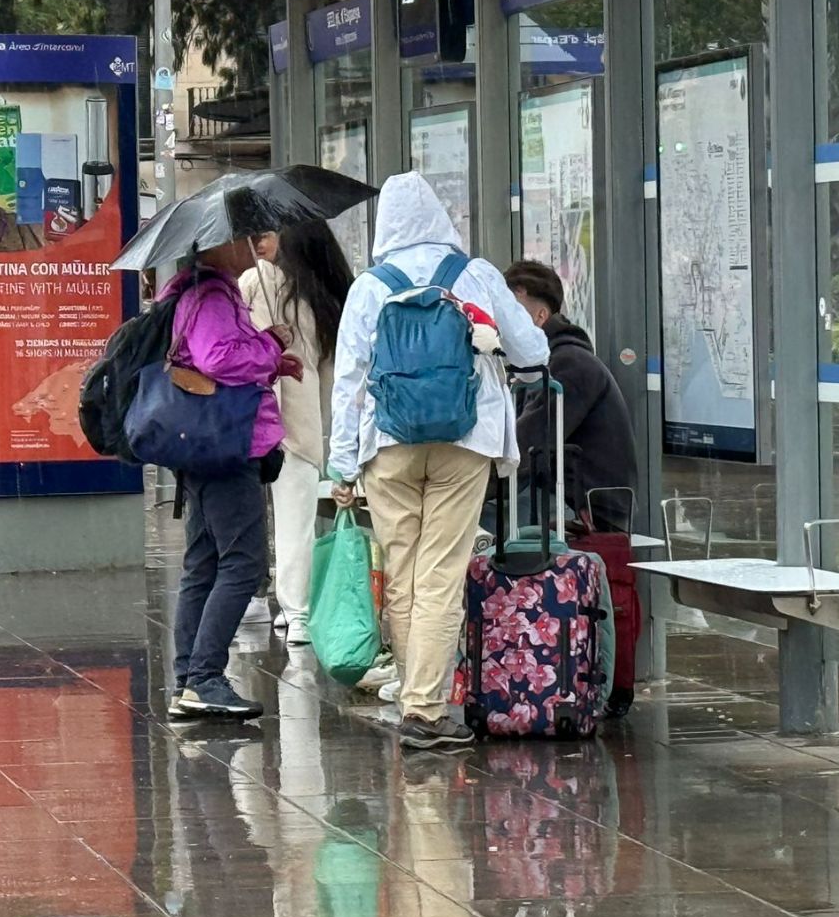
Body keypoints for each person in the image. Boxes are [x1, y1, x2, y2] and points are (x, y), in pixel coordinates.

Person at [328, 172, 549, 750]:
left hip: (388, 445)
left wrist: (342, 465)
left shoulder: (370, 287)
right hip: (464, 439)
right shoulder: (473, 274)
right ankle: (425, 711)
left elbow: (349, 380)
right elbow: (534, 350)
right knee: (440, 575)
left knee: (401, 574)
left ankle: (413, 695)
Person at [165, 237, 301, 722]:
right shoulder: (212, 296)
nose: (256, 244)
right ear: (216, 244)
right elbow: (219, 358)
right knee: (244, 563)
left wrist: (269, 362)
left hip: (205, 444)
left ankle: (189, 681)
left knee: (203, 564)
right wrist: (272, 343)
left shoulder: (199, 292)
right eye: (246, 236)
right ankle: (203, 678)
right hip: (226, 446)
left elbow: (218, 363)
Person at [241, 220, 351, 650]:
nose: (261, 244)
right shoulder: (321, 296)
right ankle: (298, 614)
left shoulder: (257, 281)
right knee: (296, 526)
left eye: (268, 236)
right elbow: (330, 373)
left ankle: (252, 597)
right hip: (304, 428)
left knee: (247, 519)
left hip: (254, 423)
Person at [504, 261, 638, 533]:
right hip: (555, 493)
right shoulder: (534, 365)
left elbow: (527, 443)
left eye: (510, 314)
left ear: (540, 317)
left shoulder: (570, 365)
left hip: (586, 506)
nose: (500, 323)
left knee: (474, 519)